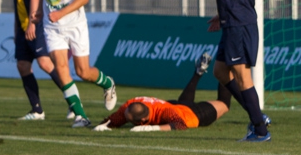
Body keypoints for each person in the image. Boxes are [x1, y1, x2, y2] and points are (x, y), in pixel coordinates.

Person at [173, 0, 271, 142]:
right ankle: (257, 114)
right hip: (236, 19)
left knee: (242, 76)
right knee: (219, 71)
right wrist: (222, 13)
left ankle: (260, 129)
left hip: (239, 23)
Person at [33, 0, 117, 128]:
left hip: (75, 24)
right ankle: (80, 116)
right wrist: (36, 12)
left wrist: (61, 13)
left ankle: (108, 83)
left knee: (83, 71)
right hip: (52, 27)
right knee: (61, 69)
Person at [93, 53, 257, 132]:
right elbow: (114, 119)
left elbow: (180, 125)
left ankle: (228, 71)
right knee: (181, 103)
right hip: (174, 104)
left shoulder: (165, 113)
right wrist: (103, 125)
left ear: (144, 120)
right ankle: (198, 73)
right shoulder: (129, 106)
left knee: (224, 104)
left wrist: (152, 129)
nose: (126, 120)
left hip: (191, 114)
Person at [0, 0, 64, 120]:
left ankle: (73, 102)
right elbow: (19, 2)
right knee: (23, 66)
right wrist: (17, 28)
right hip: (22, 28)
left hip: (33, 25)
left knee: (45, 63)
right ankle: (37, 110)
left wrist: (31, 24)